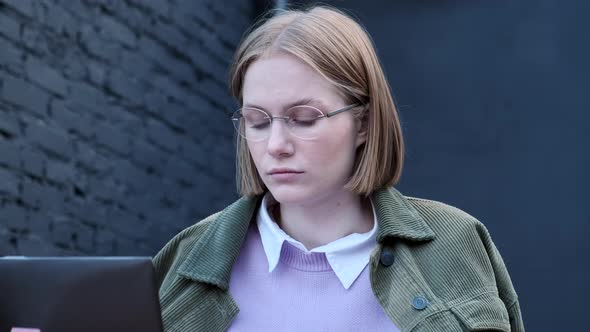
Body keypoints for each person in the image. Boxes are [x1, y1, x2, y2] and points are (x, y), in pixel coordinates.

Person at [153, 5, 524, 332]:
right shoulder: (186, 259)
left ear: (363, 123)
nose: (276, 145)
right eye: (258, 121)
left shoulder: (455, 243)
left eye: (304, 118)